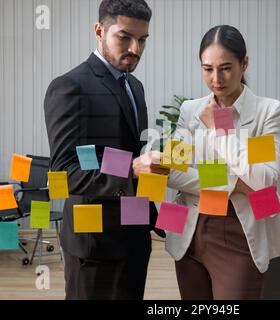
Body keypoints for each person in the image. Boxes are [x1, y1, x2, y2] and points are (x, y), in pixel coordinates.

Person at [44, 0, 167, 300]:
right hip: (94, 246)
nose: (135, 49)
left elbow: (129, 151)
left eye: (142, 39)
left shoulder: (134, 86)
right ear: (99, 30)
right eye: (124, 37)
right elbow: (64, 171)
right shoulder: (70, 86)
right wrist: (132, 168)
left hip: (135, 238)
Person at [166, 25, 280, 300]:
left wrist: (218, 130)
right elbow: (173, 172)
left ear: (244, 63)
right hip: (191, 231)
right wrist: (234, 183)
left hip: (240, 233)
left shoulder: (266, 112)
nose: (216, 79)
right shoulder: (190, 110)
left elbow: (263, 180)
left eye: (225, 68)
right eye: (207, 69)